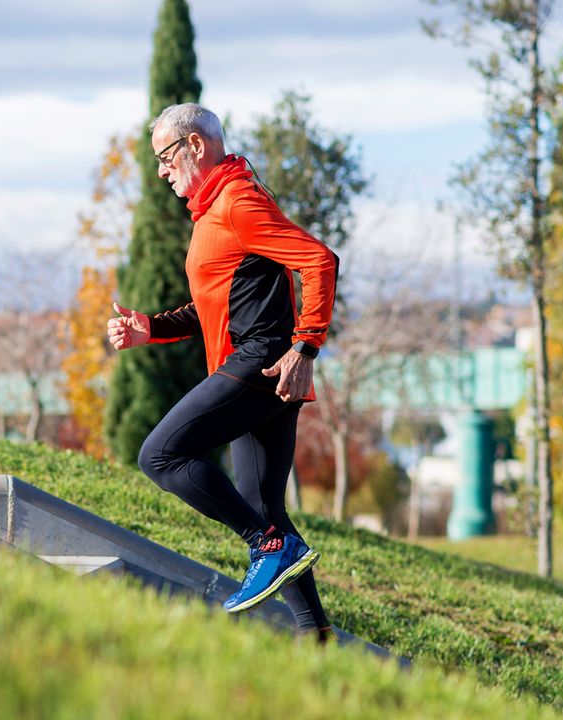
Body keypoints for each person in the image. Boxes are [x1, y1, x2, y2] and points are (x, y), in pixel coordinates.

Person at [107, 103, 338, 641]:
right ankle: (317, 638)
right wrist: (151, 328)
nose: (161, 171)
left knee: (160, 455)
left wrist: (306, 347)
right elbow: (214, 303)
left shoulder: (237, 202)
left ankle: (269, 548)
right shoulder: (213, 211)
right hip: (259, 368)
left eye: (165, 157)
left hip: (260, 364)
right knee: (262, 506)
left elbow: (318, 260)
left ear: (195, 146)